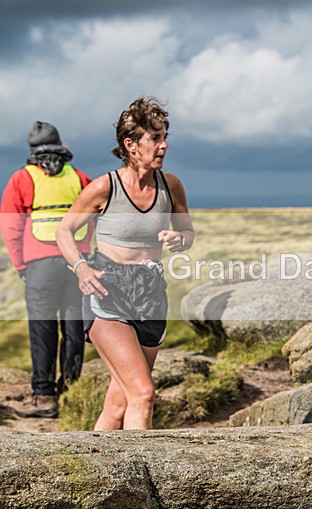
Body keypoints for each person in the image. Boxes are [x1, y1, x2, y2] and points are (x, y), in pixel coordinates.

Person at [56, 97, 194, 430]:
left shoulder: (171, 186)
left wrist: (180, 240)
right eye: (155, 138)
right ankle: (141, 465)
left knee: (118, 405)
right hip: (109, 291)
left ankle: (90, 461)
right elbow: (64, 230)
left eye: (165, 138)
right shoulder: (105, 187)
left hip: (151, 294)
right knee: (143, 394)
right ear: (130, 145)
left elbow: (188, 232)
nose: (163, 146)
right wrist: (81, 268)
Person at [1, 122, 93, 418]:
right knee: (74, 330)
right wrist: (84, 254)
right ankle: (70, 395)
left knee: (42, 330)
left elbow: (11, 226)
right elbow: (93, 218)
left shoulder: (22, 178)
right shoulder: (79, 177)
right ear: (60, 144)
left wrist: (20, 264)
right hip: (75, 262)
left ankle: (44, 398)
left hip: (39, 266)